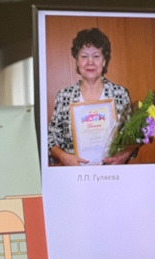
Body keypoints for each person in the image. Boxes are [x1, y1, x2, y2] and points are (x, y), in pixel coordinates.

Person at [47, 28, 136, 166]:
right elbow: (50, 137)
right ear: (77, 61)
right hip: (74, 174)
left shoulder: (120, 94)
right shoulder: (64, 96)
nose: (90, 62)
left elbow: (132, 136)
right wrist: (64, 157)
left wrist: (123, 156)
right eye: (84, 56)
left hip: (111, 174)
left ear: (104, 61)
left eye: (96, 56)